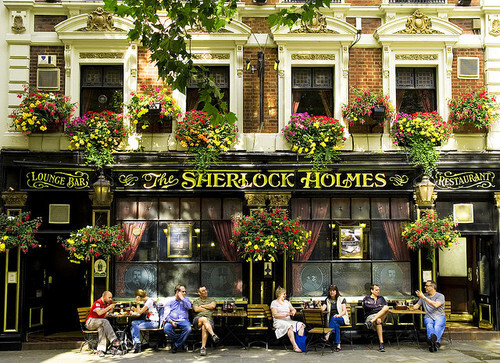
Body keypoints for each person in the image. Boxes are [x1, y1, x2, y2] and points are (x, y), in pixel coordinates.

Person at [412, 280, 446, 352]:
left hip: (439, 316)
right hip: (428, 316)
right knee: (429, 324)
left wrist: (424, 297)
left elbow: (436, 305)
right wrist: (408, 306)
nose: (425, 287)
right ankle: (435, 344)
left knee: (437, 326)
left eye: (427, 286)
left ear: (432, 287)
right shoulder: (423, 296)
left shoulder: (440, 296)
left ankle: (432, 342)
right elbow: (416, 306)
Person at [270, 287, 305, 353]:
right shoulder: (274, 303)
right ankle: (295, 346)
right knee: (290, 326)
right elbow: (275, 315)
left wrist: (293, 312)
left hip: (288, 320)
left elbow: (293, 309)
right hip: (279, 321)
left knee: (301, 325)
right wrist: (286, 315)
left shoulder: (286, 302)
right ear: (279, 294)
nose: (285, 295)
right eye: (284, 294)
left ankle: (300, 344)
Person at [86, 291, 120, 357]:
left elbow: (108, 312)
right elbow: (99, 313)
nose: (110, 299)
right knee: (105, 321)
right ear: (104, 297)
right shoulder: (97, 303)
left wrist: (111, 308)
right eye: (109, 297)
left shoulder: (106, 303)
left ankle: (100, 350)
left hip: (99, 323)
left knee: (102, 328)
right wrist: (109, 307)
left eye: (111, 298)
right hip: (90, 322)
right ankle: (113, 339)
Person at [163, 284, 192, 353]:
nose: (184, 293)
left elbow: (188, 307)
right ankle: (182, 342)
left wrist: (182, 299)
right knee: (166, 329)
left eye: (185, 291)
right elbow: (166, 314)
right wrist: (171, 321)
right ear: (177, 292)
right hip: (172, 320)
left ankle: (176, 345)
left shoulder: (186, 300)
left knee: (188, 329)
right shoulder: (170, 301)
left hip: (183, 320)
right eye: (183, 292)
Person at [192, 286, 220, 356]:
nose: (205, 292)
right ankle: (213, 334)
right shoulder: (196, 301)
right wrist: (208, 307)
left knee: (205, 326)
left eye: (206, 290)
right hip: (198, 320)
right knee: (204, 319)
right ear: (199, 293)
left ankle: (203, 348)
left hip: (209, 321)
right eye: (203, 291)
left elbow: (213, 306)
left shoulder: (211, 299)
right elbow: (196, 309)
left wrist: (201, 306)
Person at [320, 284, 350, 352]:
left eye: (333, 290)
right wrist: (319, 304)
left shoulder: (341, 299)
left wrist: (338, 315)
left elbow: (344, 311)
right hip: (332, 321)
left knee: (334, 318)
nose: (332, 292)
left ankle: (328, 333)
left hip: (341, 318)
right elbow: (322, 309)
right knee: (336, 325)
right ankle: (338, 345)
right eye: (330, 290)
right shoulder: (327, 300)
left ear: (336, 291)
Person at [129, 289, 159, 353]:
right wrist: (135, 309)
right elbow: (145, 312)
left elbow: (139, 312)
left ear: (138, 297)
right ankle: (137, 343)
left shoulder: (149, 302)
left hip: (153, 323)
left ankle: (137, 344)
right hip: (148, 321)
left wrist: (137, 303)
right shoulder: (147, 301)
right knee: (133, 323)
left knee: (135, 327)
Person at [362, 284, 390, 352]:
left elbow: (385, 307)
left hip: (381, 316)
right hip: (370, 316)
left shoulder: (381, 298)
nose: (378, 291)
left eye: (378, 290)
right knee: (378, 320)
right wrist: (379, 306)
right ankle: (381, 344)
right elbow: (367, 306)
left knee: (386, 308)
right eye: (376, 290)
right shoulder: (366, 298)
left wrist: (374, 306)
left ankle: (370, 322)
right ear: (372, 290)